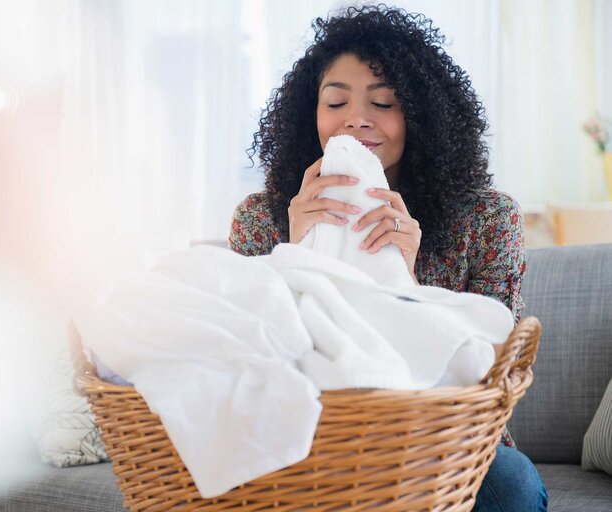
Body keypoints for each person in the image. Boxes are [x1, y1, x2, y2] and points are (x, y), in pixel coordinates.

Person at [228, 5, 547, 511]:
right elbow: (241, 360)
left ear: (420, 116)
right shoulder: (262, 218)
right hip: (311, 435)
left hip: (444, 444)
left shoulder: (487, 219)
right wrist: (294, 253)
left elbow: (493, 371)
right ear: (309, 115)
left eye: (382, 102)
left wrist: (408, 282)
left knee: (510, 483)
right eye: (336, 102)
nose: (356, 119)